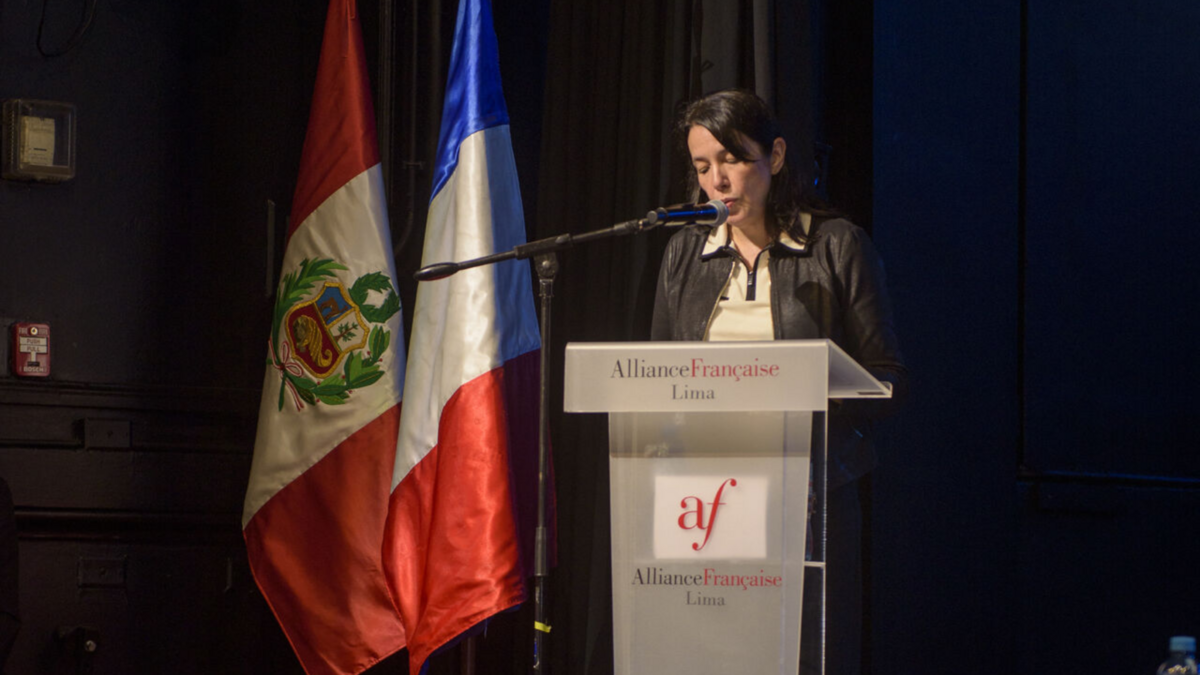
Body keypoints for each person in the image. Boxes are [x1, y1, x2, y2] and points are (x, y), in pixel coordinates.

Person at [651, 89, 907, 675]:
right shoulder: (684, 254)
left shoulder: (835, 245)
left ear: (777, 155)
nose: (717, 181)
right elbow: (659, 379)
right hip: (704, 500)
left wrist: (801, 388)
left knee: (799, 656)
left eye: (733, 159)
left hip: (808, 495)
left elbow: (889, 380)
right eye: (702, 166)